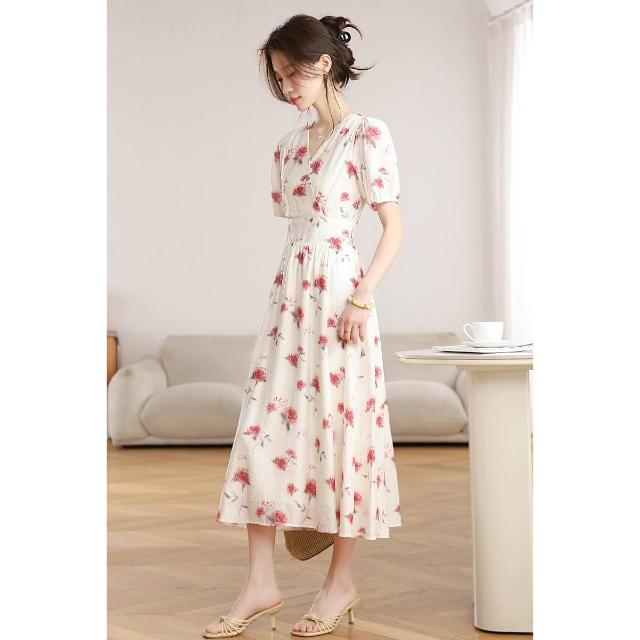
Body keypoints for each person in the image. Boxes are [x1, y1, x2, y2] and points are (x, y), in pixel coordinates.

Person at [204, 13, 404, 638]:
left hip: (343, 297)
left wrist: (362, 299)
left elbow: (393, 229)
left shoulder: (367, 133)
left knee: (342, 433)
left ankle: (339, 583)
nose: (286, 87)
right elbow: (297, 228)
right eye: (278, 77)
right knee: (262, 430)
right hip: (290, 299)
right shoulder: (287, 147)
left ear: (322, 64)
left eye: (292, 73)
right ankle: (259, 584)